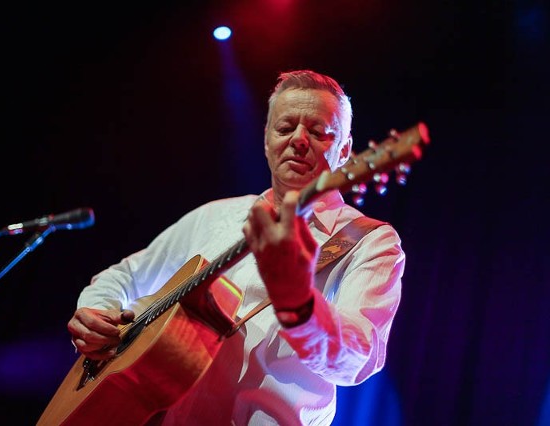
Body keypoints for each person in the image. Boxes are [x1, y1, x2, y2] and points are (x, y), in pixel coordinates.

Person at [66, 69, 405, 425]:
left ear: (346, 150)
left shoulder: (368, 241)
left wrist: (298, 300)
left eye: (319, 132)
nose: (299, 140)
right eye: (285, 128)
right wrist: (96, 313)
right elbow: (123, 276)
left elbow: (358, 359)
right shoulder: (217, 216)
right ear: (266, 139)